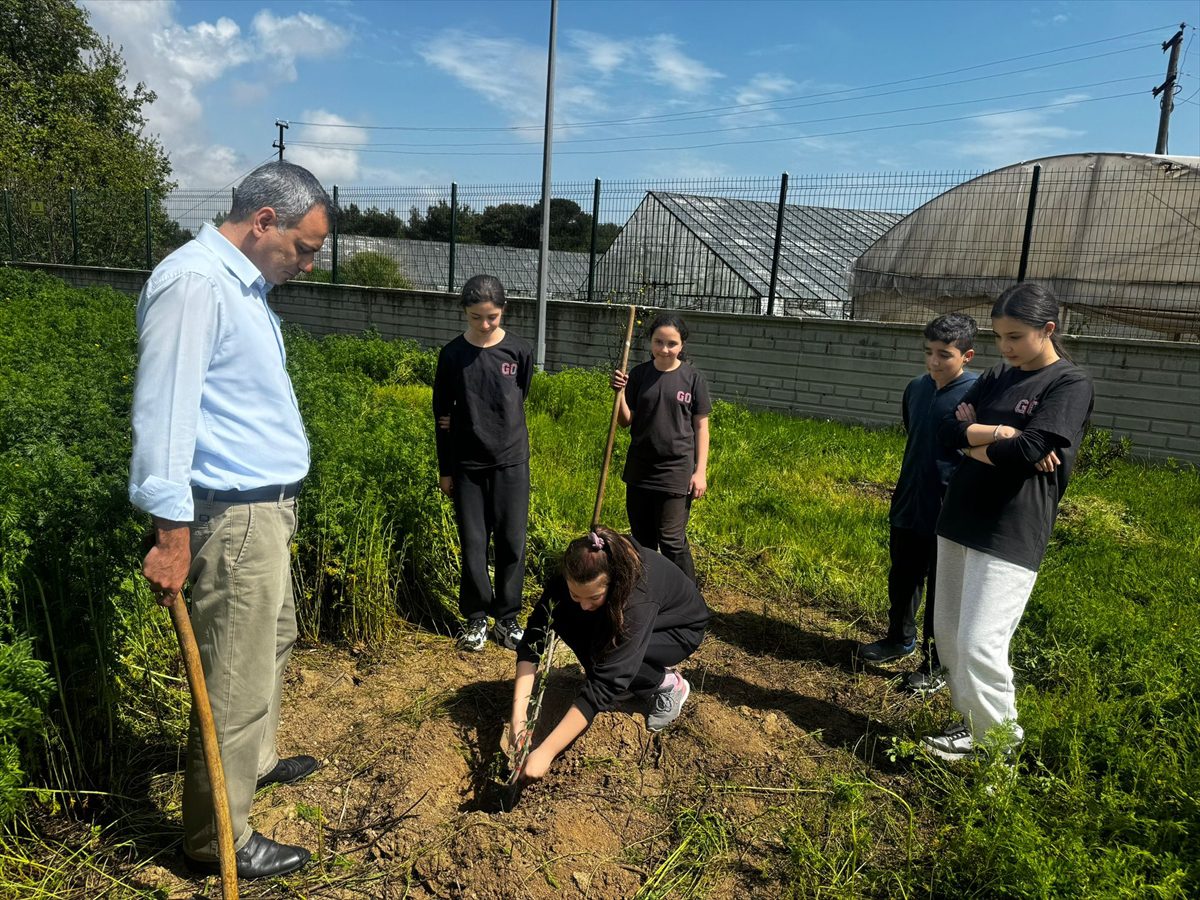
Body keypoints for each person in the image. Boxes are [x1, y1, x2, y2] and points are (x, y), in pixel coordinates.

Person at [130, 160, 333, 879]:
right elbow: (165, 411)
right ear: (264, 222)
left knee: (273, 640)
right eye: (304, 249)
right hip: (233, 518)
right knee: (235, 676)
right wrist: (172, 536)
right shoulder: (195, 285)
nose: (308, 264)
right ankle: (219, 837)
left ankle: (257, 760)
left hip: (265, 512)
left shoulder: (241, 287)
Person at [922, 282, 1094, 762]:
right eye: (1000, 337)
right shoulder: (999, 374)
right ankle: (970, 726)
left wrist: (975, 441)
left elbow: (1031, 451)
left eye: (1016, 336)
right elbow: (944, 431)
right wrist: (999, 434)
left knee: (980, 643)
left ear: (1049, 330)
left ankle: (999, 748)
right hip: (959, 517)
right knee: (951, 637)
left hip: (1011, 528)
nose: (1006, 348)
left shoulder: (1068, 384)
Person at [508, 526, 710, 782]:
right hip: (630, 617)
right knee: (574, 622)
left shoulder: (638, 598)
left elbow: (606, 682)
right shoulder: (572, 575)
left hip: (678, 630)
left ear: (614, 581)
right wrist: (518, 716)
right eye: (575, 594)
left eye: (594, 597)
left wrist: (546, 751)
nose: (583, 604)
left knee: (611, 655)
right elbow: (534, 637)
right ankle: (629, 678)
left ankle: (668, 685)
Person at [860, 314, 979, 695]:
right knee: (903, 576)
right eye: (928, 352)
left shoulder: (977, 395)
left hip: (948, 510)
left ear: (967, 356)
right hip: (909, 500)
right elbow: (915, 432)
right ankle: (899, 638)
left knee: (942, 594)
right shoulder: (915, 388)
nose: (933, 362)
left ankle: (935, 663)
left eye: (944, 355)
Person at [433, 274, 533, 652]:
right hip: (467, 465)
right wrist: (446, 469)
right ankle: (475, 619)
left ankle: (507, 619)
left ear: (503, 310)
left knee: (511, 541)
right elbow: (441, 413)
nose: (485, 324)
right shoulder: (453, 355)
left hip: (511, 461)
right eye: (476, 317)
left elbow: (520, 397)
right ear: (465, 313)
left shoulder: (519, 352)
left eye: (491, 316)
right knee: (474, 542)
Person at [610, 315, 711, 583]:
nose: (664, 349)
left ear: (682, 345)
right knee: (642, 540)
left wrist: (700, 471)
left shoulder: (692, 378)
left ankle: (689, 601)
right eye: (658, 342)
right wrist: (619, 394)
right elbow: (625, 421)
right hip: (640, 468)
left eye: (671, 343)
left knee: (671, 540)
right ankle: (651, 592)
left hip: (675, 470)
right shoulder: (641, 375)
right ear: (651, 342)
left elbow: (701, 427)